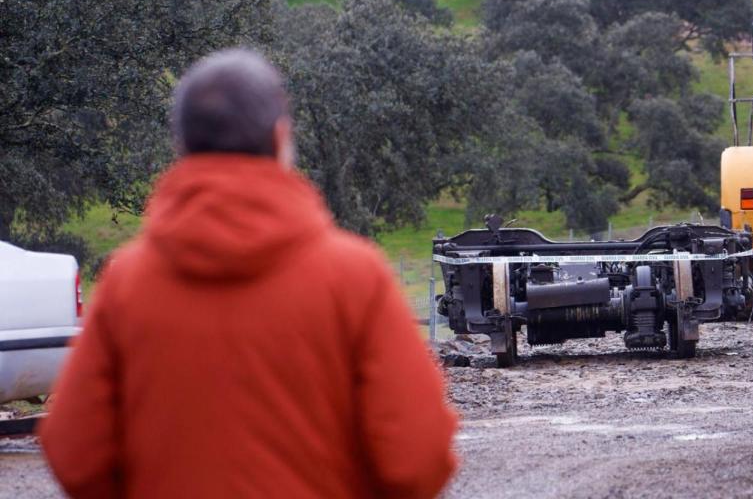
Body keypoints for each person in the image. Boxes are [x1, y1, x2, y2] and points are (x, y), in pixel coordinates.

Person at [39, 49, 458, 498]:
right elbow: (420, 456)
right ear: (280, 139)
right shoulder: (355, 277)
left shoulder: (127, 285)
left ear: (182, 147)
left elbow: (73, 453)